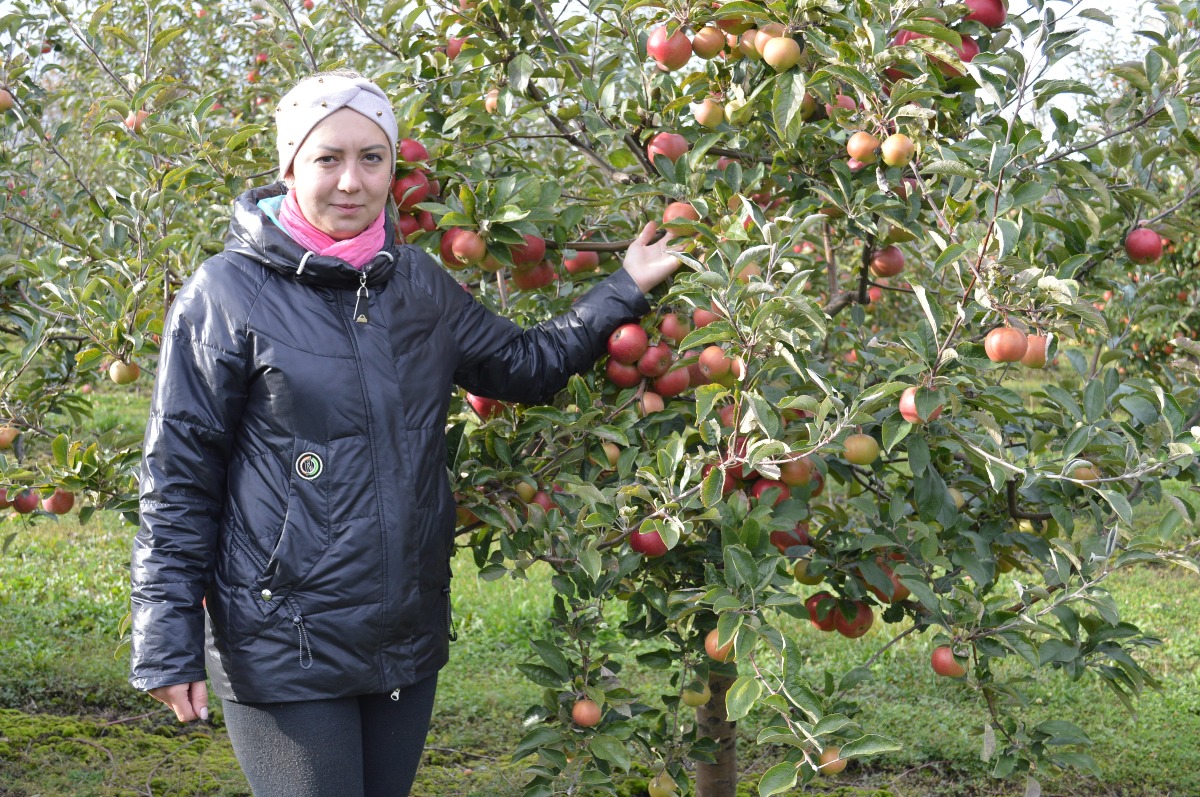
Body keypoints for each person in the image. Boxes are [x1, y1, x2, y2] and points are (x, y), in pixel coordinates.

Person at [128, 70, 681, 797]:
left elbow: (524, 364)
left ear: (394, 167)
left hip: (402, 633)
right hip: (284, 631)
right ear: (290, 163)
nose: (351, 181)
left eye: (372, 158)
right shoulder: (226, 294)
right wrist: (166, 642)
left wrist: (625, 287)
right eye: (328, 158)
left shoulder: (416, 284)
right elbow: (179, 474)